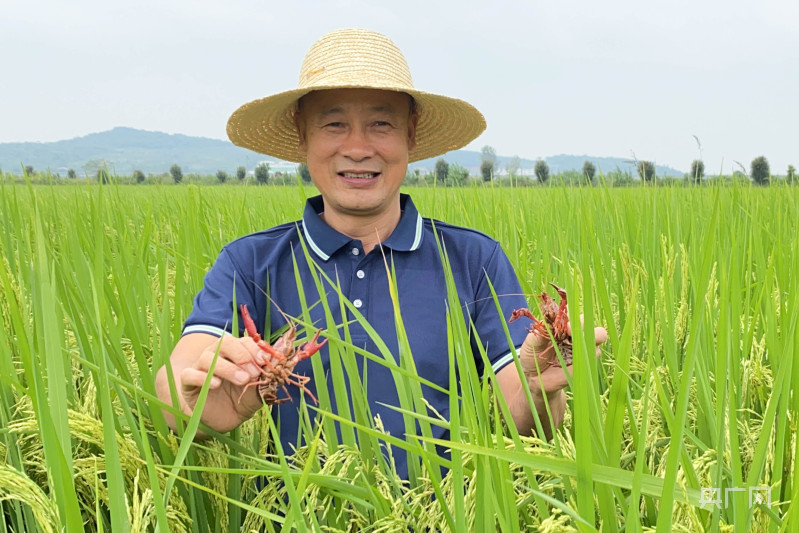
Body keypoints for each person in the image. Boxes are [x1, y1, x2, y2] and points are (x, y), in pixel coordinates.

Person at [154, 28, 607, 479]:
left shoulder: (474, 259)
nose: (357, 147)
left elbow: (525, 418)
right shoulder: (249, 263)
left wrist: (538, 391)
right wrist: (192, 403)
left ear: (410, 134)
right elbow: (179, 375)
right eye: (333, 124)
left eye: (381, 124)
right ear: (301, 135)